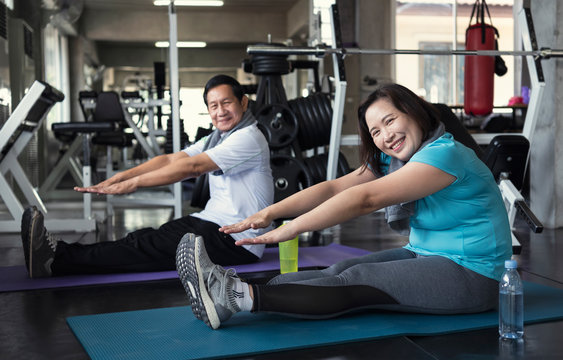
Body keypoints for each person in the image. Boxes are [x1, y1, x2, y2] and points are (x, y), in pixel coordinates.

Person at [175, 83, 513, 330]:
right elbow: (336, 186)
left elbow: (367, 198)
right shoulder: (394, 158)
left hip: (474, 276)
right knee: (339, 271)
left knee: (359, 279)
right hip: (425, 254)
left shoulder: (445, 154)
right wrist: (270, 213)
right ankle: (231, 293)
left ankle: (236, 296)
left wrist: (290, 229)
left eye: (391, 121)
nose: (386, 137)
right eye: (376, 131)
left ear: (414, 110)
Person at [21, 74, 274, 278]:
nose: (220, 111)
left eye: (226, 102)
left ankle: (55, 261)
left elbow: (193, 167)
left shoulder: (248, 137)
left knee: (144, 248)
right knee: (141, 238)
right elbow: (171, 159)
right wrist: (122, 176)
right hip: (212, 223)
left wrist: (134, 184)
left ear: (243, 102)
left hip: (238, 242)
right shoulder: (217, 137)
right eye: (213, 105)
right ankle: (59, 254)